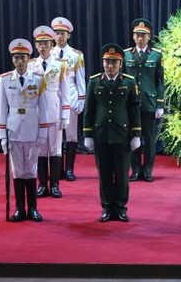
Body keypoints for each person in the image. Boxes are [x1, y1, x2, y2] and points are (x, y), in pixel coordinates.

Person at [84, 43, 141, 222]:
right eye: (107, 62)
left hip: (122, 135)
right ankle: (107, 208)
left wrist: (136, 134)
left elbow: (134, 110)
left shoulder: (129, 82)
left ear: (120, 64)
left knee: (122, 174)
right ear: (102, 63)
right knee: (105, 174)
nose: (110, 66)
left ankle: (121, 208)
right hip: (101, 134)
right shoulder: (94, 81)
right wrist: (87, 134)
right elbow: (89, 109)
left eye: (114, 63)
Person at [0, 39, 46, 222]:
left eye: (23, 57)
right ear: (12, 59)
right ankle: (19, 209)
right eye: (16, 58)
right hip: (14, 131)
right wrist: (3, 137)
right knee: (17, 170)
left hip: (33, 129)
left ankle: (33, 208)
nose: (20, 61)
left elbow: (45, 109)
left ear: (28, 59)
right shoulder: (4, 80)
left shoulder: (38, 79)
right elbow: (2, 110)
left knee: (31, 169)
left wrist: (43, 133)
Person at [28, 25, 72, 198]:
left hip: (54, 111)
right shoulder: (32, 65)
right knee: (40, 150)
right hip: (38, 113)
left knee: (55, 150)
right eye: (39, 43)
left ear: (51, 43)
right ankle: (41, 184)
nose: (42, 46)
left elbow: (66, 91)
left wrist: (65, 115)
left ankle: (54, 185)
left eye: (45, 43)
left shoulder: (60, 65)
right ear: (36, 45)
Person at [124, 19, 165, 182]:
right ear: (133, 37)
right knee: (133, 137)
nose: (140, 39)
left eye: (143, 36)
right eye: (137, 35)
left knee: (149, 139)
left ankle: (147, 170)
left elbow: (160, 81)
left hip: (149, 103)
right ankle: (135, 170)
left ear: (149, 37)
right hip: (131, 103)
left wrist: (160, 104)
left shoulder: (156, 55)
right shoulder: (126, 54)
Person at [51, 17, 86, 182]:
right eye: (57, 33)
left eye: (62, 33)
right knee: (56, 136)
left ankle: (70, 168)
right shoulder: (48, 54)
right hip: (53, 99)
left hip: (71, 97)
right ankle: (57, 170)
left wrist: (81, 100)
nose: (59, 36)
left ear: (68, 35)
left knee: (71, 136)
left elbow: (80, 78)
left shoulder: (76, 55)